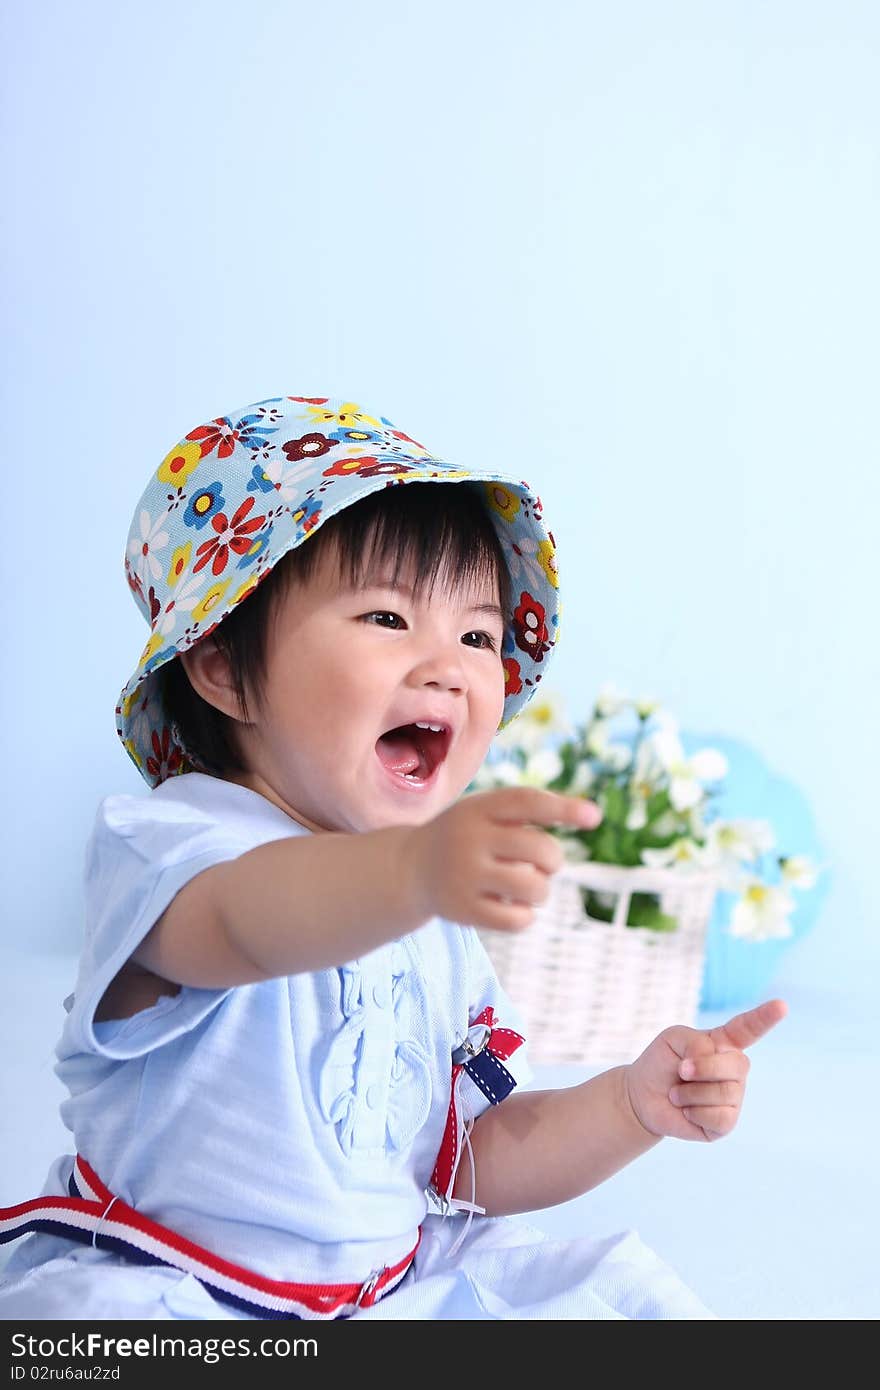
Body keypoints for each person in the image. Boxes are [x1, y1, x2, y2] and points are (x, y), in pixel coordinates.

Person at [0, 393, 786, 1321]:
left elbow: (473, 1158)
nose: (448, 665)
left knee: (600, 1301)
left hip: (388, 1288)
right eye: (384, 618)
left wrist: (629, 1105)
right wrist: (416, 874)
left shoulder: (433, 922)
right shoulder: (175, 847)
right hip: (176, 1284)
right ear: (219, 667)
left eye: (480, 635)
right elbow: (249, 923)